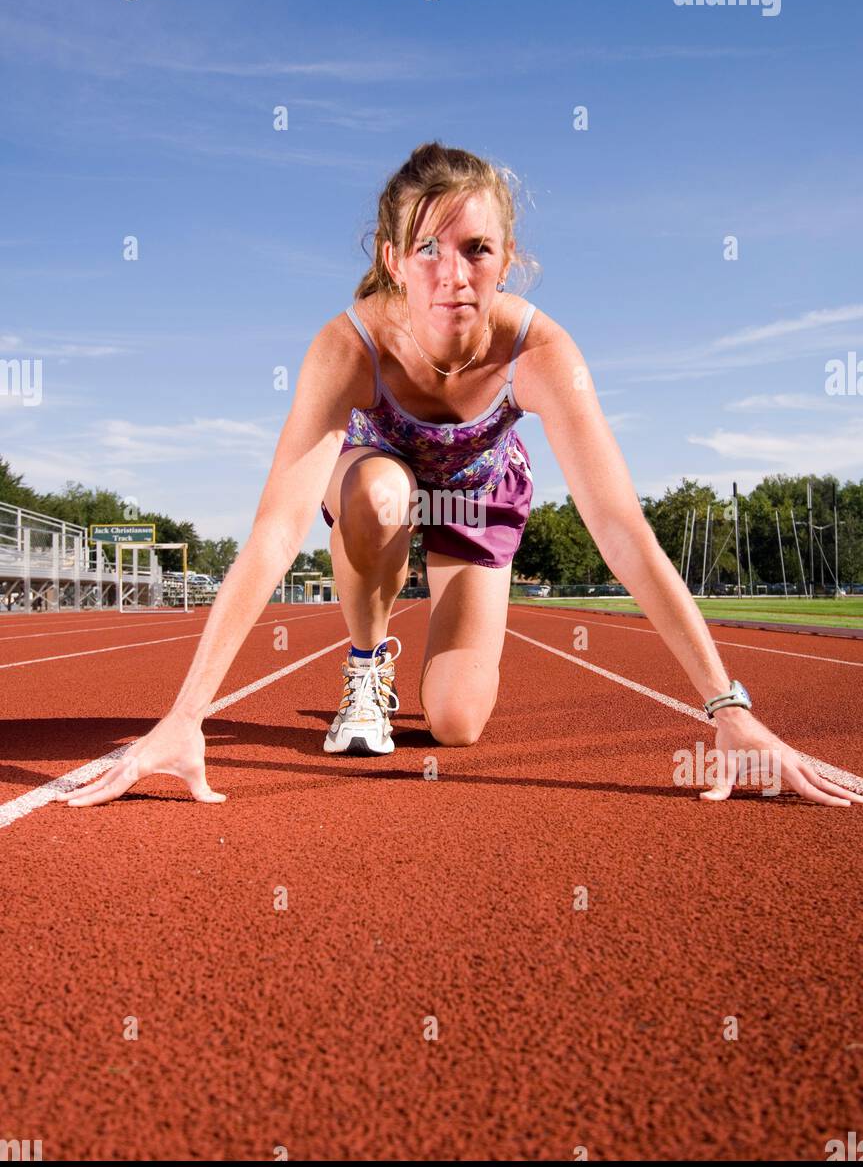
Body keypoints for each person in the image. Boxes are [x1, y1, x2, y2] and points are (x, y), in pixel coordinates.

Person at [66, 142, 859, 808]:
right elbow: (276, 529)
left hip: (480, 494)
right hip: (377, 485)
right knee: (383, 492)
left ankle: (431, 673)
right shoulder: (349, 347)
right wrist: (185, 715)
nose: (453, 275)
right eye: (427, 250)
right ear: (392, 260)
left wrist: (728, 709)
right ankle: (367, 665)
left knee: (454, 724)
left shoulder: (540, 354)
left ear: (507, 260)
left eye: (477, 249)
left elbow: (619, 526)